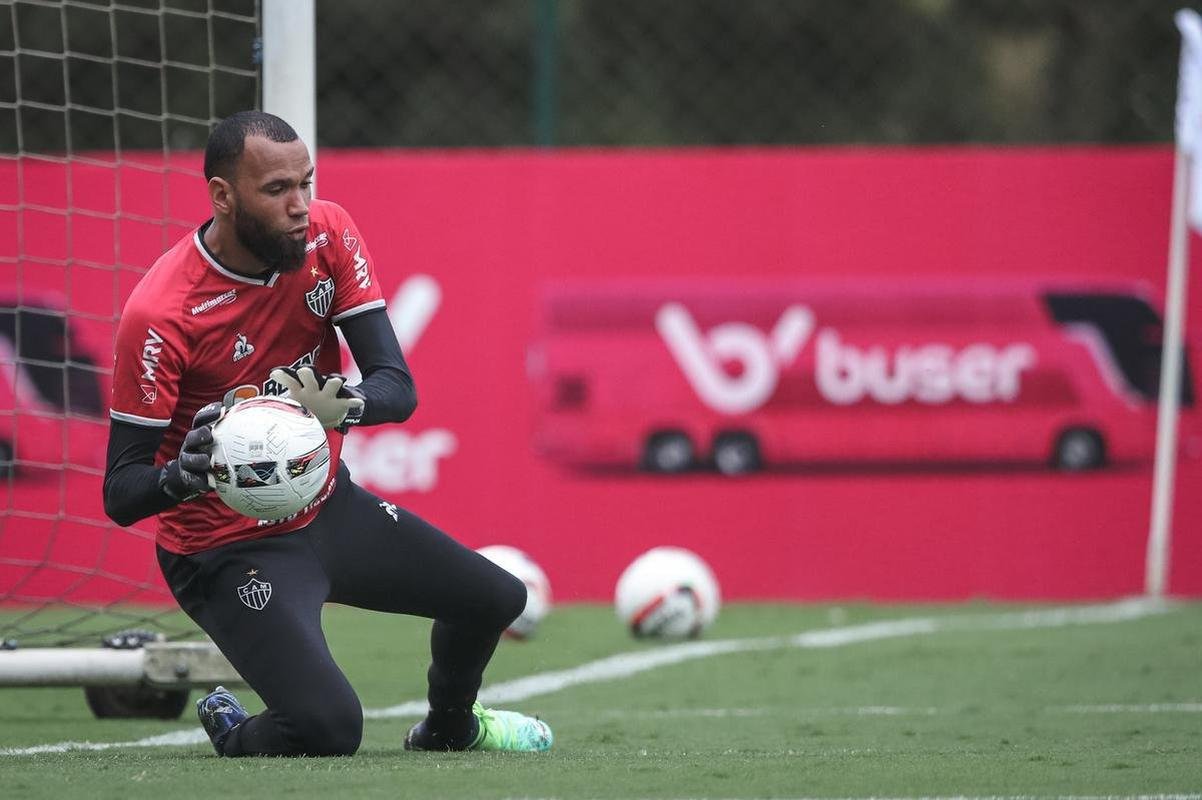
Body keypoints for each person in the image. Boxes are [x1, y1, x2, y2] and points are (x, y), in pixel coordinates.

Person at [102, 110, 552, 757]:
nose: (300, 206)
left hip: (328, 508)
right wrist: (182, 475)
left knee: (496, 597)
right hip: (223, 550)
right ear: (223, 196)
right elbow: (121, 493)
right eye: (277, 189)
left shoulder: (328, 234)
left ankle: (449, 727)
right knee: (329, 729)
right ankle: (232, 728)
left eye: (305, 183)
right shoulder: (160, 314)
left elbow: (397, 387)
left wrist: (346, 406)